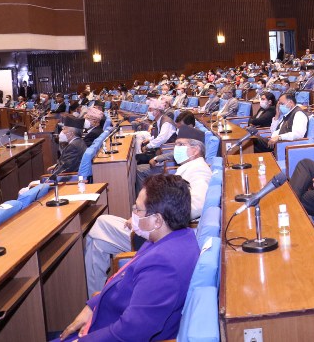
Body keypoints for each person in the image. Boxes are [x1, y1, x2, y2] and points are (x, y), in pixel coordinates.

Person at [62, 174, 199, 341]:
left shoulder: (163, 265)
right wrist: (92, 306)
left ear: (157, 220)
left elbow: (131, 331)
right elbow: (124, 278)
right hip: (105, 319)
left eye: (138, 209)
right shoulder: (171, 237)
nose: (133, 213)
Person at [85, 125, 211, 296]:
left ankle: (96, 296)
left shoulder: (199, 171)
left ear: (195, 150)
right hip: (159, 224)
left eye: (181, 144)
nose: (176, 148)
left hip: (162, 232)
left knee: (99, 230)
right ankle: (99, 293)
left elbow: (194, 206)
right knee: (100, 231)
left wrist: (148, 217)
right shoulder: (190, 166)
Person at [135, 112, 197, 191]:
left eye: (181, 126)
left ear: (190, 125)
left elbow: (177, 153)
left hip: (173, 166)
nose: (179, 129)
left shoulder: (193, 138)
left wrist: (158, 158)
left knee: (139, 169)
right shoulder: (188, 132)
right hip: (170, 161)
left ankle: (145, 197)